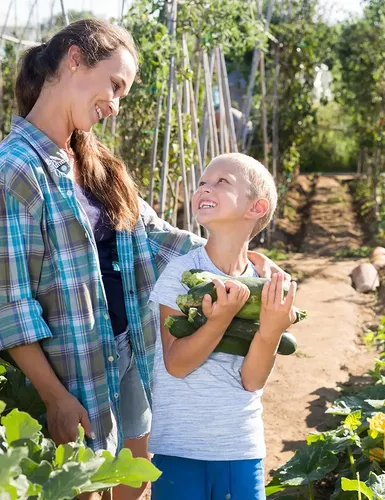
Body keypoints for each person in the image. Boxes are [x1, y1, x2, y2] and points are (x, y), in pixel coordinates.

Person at [0, 20, 285, 500]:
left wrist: (240, 256)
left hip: (130, 354)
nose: (115, 104)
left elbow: (152, 237)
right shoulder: (8, 175)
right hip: (75, 375)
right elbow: (10, 307)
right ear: (74, 59)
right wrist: (55, 396)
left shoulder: (95, 163)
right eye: (115, 85)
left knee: (133, 490)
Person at [148, 153, 298, 499]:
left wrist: (272, 330)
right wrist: (220, 320)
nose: (205, 188)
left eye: (222, 182)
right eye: (202, 182)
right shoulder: (181, 274)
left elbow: (252, 380)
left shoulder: (267, 286)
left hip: (239, 447)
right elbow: (176, 363)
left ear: (256, 208)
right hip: (180, 448)